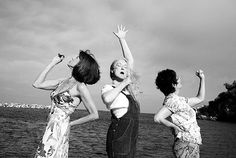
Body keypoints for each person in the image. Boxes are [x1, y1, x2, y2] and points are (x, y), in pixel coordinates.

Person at [33, 50, 100, 158]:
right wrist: (53, 63)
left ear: (81, 65)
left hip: (60, 129)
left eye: (77, 57)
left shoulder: (80, 87)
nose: (73, 57)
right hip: (50, 126)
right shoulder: (63, 81)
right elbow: (37, 84)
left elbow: (94, 114)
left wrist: (70, 124)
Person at [101, 25, 140, 158]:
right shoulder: (109, 88)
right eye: (119, 66)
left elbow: (130, 60)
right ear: (112, 71)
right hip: (118, 141)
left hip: (131, 142)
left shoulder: (129, 90)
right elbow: (107, 99)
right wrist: (124, 82)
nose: (123, 67)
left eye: (125, 67)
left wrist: (122, 39)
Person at [154, 69, 205, 158]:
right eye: (177, 78)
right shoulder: (172, 101)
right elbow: (157, 118)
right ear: (173, 84)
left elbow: (200, 98)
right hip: (185, 144)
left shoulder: (179, 100)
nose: (180, 78)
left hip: (191, 143)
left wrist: (202, 78)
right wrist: (173, 126)